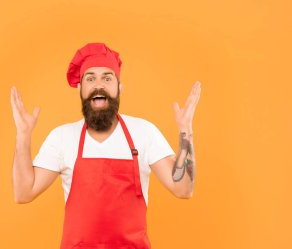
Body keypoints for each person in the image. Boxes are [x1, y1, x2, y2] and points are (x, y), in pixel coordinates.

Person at [11, 43, 201, 249]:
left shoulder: (144, 132)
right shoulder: (62, 137)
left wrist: (185, 130)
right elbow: (23, 192)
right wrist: (23, 135)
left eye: (107, 78)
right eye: (90, 78)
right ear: (80, 89)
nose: (98, 85)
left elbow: (183, 189)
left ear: (119, 88)